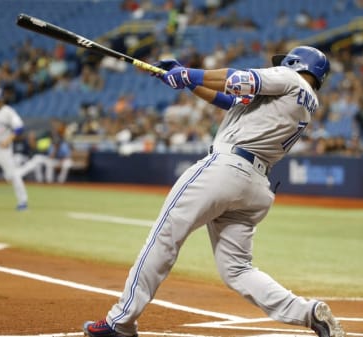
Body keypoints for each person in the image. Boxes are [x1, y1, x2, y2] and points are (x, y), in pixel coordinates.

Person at [83, 46, 344, 337]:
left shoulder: (288, 77)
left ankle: (120, 321)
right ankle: (306, 312)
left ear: (295, 63)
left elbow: (238, 79)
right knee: (237, 269)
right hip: (255, 186)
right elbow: (229, 100)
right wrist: (190, 80)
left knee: (164, 238)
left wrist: (187, 74)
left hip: (226, 168)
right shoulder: (306, 100)